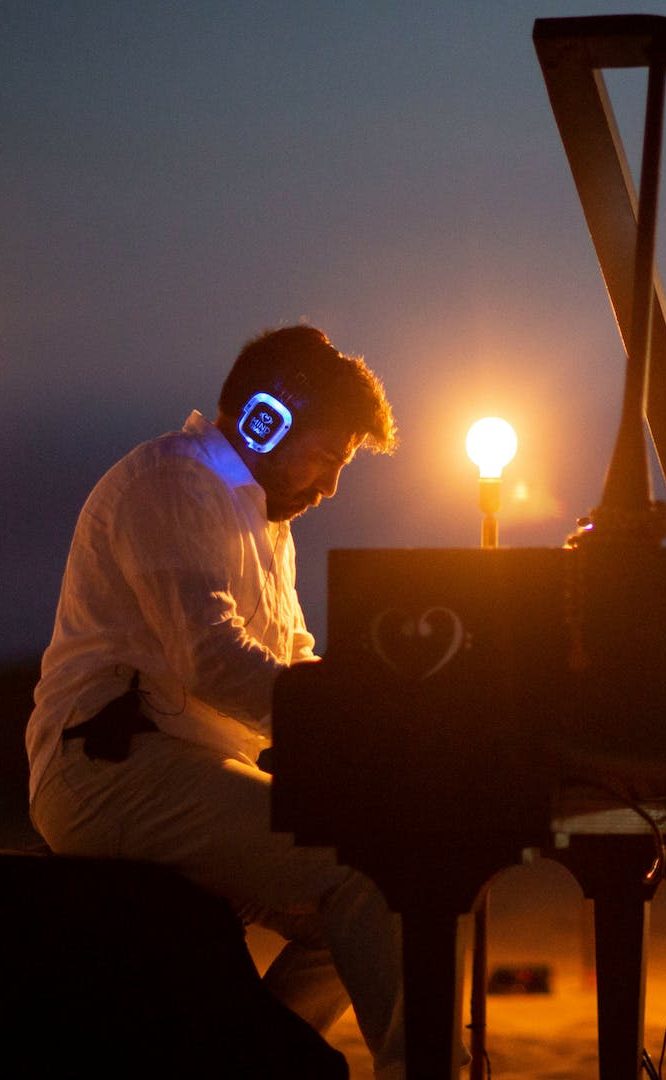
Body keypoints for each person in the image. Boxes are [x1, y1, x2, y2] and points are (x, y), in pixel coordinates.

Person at [24, 325, 408, 1077]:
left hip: (180, 770)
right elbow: (212, 661)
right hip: (110, 772)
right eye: (328, 458)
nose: (329, 487)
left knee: (394, 882)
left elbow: (293, 662)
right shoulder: (168, 482)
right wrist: (354, 728)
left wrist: (374, 731)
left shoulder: (261, 520)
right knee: (370, 873)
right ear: (270, 416)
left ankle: (249, 1058)